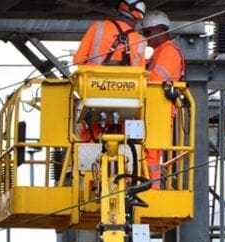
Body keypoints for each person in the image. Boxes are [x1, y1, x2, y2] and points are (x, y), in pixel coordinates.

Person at [140, 10, 185, 188]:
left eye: (147, 32)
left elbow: (156, 79)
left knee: (151, 150)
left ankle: (153, 188)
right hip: (152, 109)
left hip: (159, 109)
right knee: (145, 149)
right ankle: (144, 185)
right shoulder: (159, 52)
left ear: (160, 30)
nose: (145, 37)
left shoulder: (169, 52)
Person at [74, 0, 146, 68]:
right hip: (129, 80)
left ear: (120, 8)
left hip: (92, 79)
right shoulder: (141, 40)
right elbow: (141, 71)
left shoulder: (98, 27)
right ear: (138, 19)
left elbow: (78, 59)